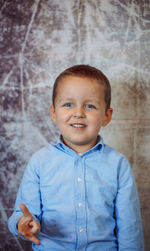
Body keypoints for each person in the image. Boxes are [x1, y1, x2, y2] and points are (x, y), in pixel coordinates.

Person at [8, 65, 144, 250]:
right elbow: (20, 214)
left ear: (106, 116)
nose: (78, 113)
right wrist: (21, 224)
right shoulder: (39, 162)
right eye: (68, 104)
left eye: (90, 106)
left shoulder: (118, 165)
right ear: (53, 113)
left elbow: (130, 227)